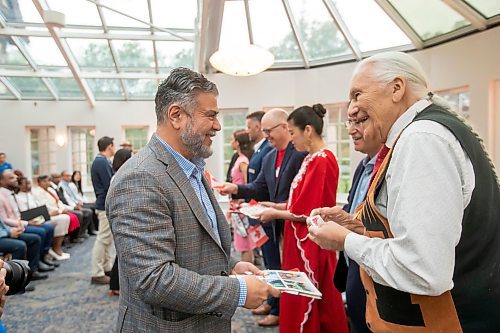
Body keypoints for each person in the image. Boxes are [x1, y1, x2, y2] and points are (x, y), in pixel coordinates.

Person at [308, 51, 500, 332]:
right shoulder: (426, 132)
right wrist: (361, 228)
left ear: (397, 88)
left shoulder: (422, 139)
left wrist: (347, 241)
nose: (350, 110)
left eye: (357, 94)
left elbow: (423, 270)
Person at [106, 67, 279, 332]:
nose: (218, 126)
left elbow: (195, 244)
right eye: (210, 115)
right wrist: (238, 291)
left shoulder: (192, 168)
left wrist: (231, 266)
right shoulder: (140, 178)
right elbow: (155, 279)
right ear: (176, 115)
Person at [254, 104, 348, 333]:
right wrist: (275, 205)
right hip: (300, 239)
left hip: (310, 241)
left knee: (307, 295)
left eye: (293, 133)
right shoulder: (311, 158)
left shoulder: (322, 160)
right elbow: (300, 203)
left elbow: (309, 211)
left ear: (307, 130)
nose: (292, 139)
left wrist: (276, 213)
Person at [219, 108, 307, 327]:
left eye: (269, 131)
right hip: (269, 225)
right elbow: (258, 187)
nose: (266, 136)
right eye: (264, 131)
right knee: (271, 267)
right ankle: (275, 305)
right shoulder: (268, 157)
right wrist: (235, 189)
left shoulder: (300, 155)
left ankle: (287, 312)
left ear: (285, 127)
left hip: (291, 226)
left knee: (290, 272)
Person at [341, 103, 382, 333]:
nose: (351, 129)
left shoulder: (388, 167)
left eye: (360, 121)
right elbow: (353, 207)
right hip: (354, 266)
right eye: (350, 122)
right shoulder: (362, 165)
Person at [90, 136, 115, 285]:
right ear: (109, 146)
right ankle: (97, 272)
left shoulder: (101, 161)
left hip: (104, 203)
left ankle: (105, 267)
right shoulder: (101, 162)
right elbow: (110, 184)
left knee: (106, 239)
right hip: (104, 203)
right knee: (102, 239)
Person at [108, 148, 133, 297]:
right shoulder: (119, 176)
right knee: (120, 254)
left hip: (124, 218)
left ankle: (116, 284)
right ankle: (115, 285)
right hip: (123, 219)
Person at [228, 130, 255, 263]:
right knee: (242, 243)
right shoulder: (239, 158)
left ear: (238, 143)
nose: (230, 142)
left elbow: (247, 182)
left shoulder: (243, 161)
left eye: (232, 140)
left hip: (241, 206)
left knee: (245, 244)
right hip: (236, 205)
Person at [245, 111, 272, 183]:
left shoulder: (268, 149)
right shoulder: (259, 148)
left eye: (249, 127)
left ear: (257, 127)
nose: (247, 131)